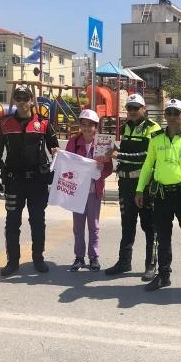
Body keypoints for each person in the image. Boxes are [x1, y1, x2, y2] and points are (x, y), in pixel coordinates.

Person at [135, 99, 181, 296]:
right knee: (162, 238)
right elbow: (147, 166)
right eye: (169, 113)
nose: (173, 117)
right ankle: (164, 274)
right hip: (161, 196)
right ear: (165, 116)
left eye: (177, 113)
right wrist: (139, 189)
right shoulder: (156, 138)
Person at [0, 85, 59, 276]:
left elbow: (56, 151)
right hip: (14, 182)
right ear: (14, 101)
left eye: (25, 98)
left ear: (31, 100)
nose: (22, 102)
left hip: (38, 182)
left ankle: (38, 259)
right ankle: (12, 261)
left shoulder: (44, 123)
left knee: (38, 221)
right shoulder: (4, 125)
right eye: (18, 98)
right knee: (12, 222)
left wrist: (55, 171)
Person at [104, 93, 161, 281]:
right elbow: (126, 152)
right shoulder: (126, 126)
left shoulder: (153, 128)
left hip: (144, 185)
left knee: (149, 226)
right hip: (125, 183)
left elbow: (148, 156)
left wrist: (119, 156)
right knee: (127, 224)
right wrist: (110, 149)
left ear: (144, 109)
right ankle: (124, 262)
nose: (133, 111)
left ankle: (151, 265)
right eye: (129, 108)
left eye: (136, 108)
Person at [65, 109, 113, 272]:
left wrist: (101, 168)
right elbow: (67, 163)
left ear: (96, 127)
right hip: (77, 191)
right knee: (78, 226)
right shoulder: (73, 141)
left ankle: (93, 257)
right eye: (83, 124)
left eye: (90, 125)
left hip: (94, 191)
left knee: (93, 225)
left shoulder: (103, 142)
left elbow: (109, 169)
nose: (86, 128)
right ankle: (79, 257)